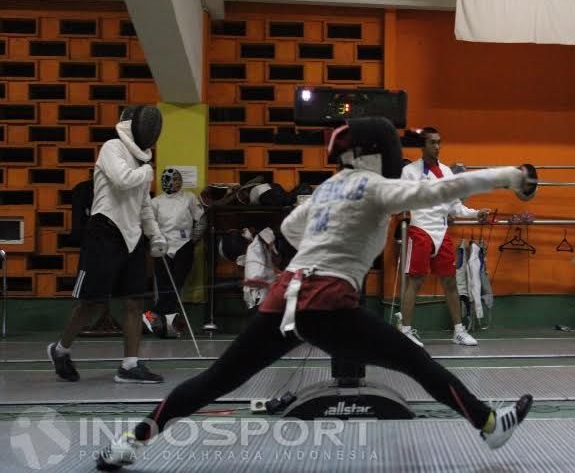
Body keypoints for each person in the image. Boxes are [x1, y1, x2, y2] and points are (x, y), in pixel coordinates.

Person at [95, 117, 535, 470]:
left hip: (286, 297)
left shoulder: (328, 187)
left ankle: (130, 441)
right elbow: (440, 189)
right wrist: (508, 175)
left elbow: (290, 227)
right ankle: (490, 424)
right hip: (327, 304)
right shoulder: (376, 186)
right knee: (416, 361)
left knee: (216, 380)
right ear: (377, 154)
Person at [49, 105, 166, 384]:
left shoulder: (142, 162)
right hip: (104, 232)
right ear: (133, 126)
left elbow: (143, 205)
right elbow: (122, 181)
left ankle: (130, 365)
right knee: (91, 303)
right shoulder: (112, 147)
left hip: (132, 236)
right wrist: (148, 172)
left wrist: (156, 234)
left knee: (135, 302)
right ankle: (61, 350)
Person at [398, 127, 490, 347]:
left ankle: (458, 331)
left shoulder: (448, 173)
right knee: (415, 282)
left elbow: (455, 207)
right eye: (432, 142)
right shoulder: (410, 171)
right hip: (420, 230)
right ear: (423, 145)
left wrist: (476, 214)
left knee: (450, 282)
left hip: (442, 232)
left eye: (439, 142)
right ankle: (405, 331)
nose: (437, 146)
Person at [142, 168, 205, 338]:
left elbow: (201, 218)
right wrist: (155, 241)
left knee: (176, 286)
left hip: (184, 246)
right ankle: (167, 328)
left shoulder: (189, 197)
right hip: (162, 248)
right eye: (174, 179)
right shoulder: (155, 202)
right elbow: (149, 225)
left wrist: (193, 239)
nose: (178, 182)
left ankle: (150, 316)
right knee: (164, 287)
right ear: (166, 181)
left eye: (179, 179)